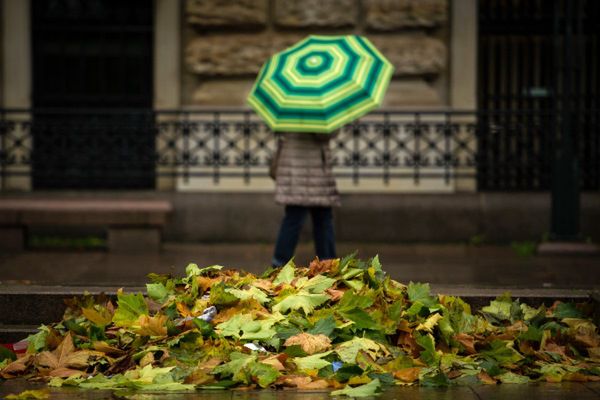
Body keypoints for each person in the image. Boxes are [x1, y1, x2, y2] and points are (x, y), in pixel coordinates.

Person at [271, 131, 340, 267]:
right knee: (323, 220)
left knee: (293, 219)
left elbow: (278, 130)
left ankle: (279, 264)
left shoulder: (289, 110)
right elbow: (327, 133)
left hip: (294, 168)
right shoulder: (319, 112)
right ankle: (328, 266)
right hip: (317, 170)